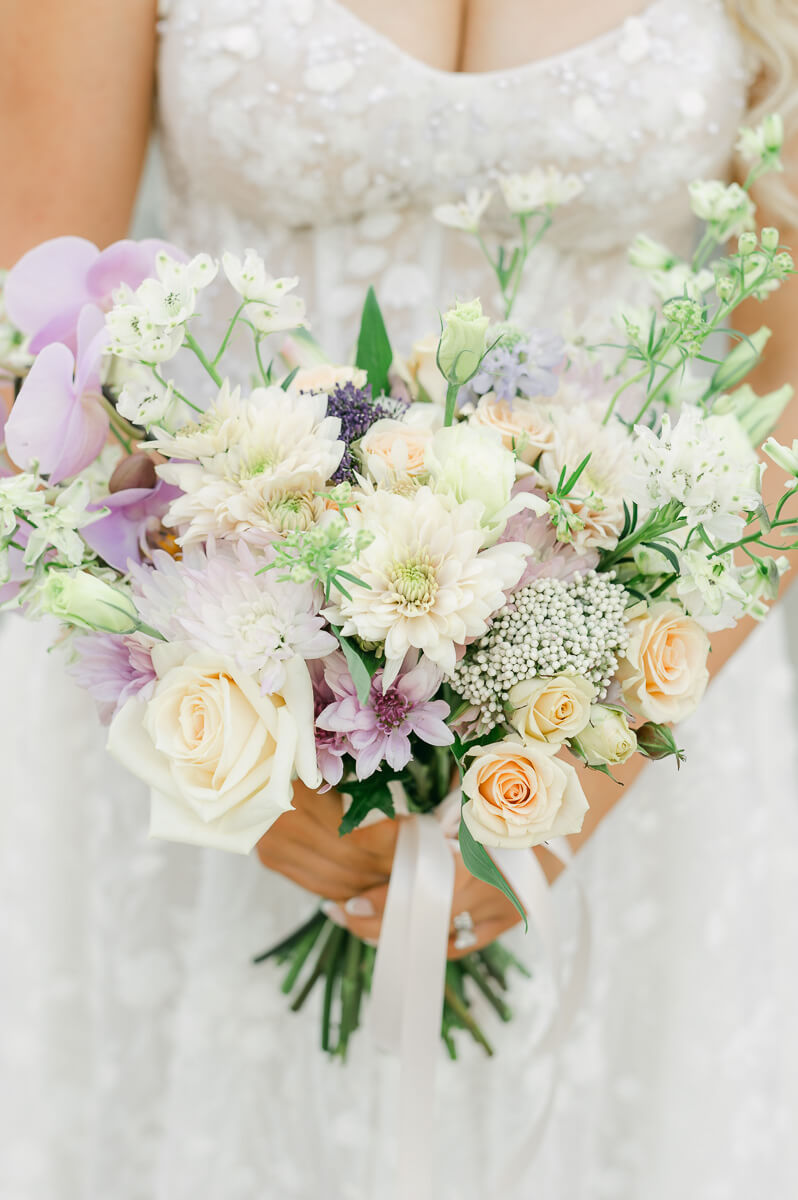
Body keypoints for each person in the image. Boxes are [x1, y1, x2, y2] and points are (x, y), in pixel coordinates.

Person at [2, 1, 798, 1196]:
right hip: (194, 689)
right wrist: (225, 743)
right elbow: (29, 337)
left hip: (628, 715)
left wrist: (586, 765)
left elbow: (782, 375)